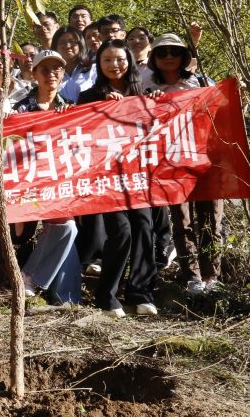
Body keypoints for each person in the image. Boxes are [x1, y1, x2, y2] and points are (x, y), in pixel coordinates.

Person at [78, 39, 158, 317]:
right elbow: (81, 133)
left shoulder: (144, 94)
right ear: (99, 65)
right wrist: (103, 107)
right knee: (121, 230)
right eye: (107, 60)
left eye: (120, 59)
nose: (114, 65)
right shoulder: (89, 96)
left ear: (130, 62)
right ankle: (107, 294)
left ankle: (141, 292)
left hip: (139, 176)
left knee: (144, 226)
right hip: (107, 178)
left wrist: (156, 105)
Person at [142, 32, 222, 295]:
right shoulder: (146, 84)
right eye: (161, 52)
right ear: (153, 57)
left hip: (204, 159)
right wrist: (149, 101)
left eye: (173, 52)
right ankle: (192, 276)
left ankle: (213, 275)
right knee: (181, 220)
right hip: (172, 163)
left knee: (211, 218)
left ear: (183, 56)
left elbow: (220, 109)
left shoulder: (199, 82)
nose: (168, 57)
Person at [13, 51, 81, 304]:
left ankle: (33, 278)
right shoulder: (20, 107)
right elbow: (10, 143)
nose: (51, 74)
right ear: (34, 74)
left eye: (57, 69)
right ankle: (67, 295)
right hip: (27, 181)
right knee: (62, 230)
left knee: (67, 227)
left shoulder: (71, 108)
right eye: (45, 69)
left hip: (60, 180)